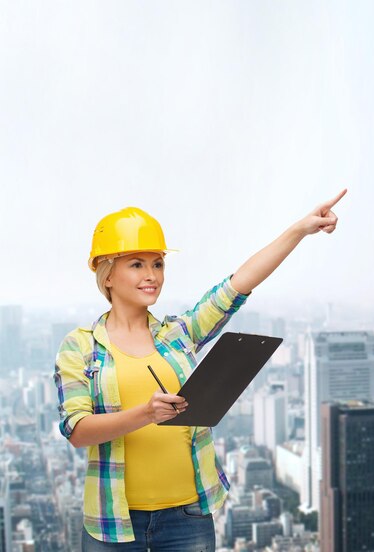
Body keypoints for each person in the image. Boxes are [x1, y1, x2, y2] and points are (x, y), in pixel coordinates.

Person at [53, 189, 346, 551]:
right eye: (137, 264)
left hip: (187, 519)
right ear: (107, 274)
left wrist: (300, 229)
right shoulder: (80, 347)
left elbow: (239, 284)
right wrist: (146, 413)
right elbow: (78, 431)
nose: (152, 275)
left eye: (158, 263)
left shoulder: (180, 334)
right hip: (114, 525)